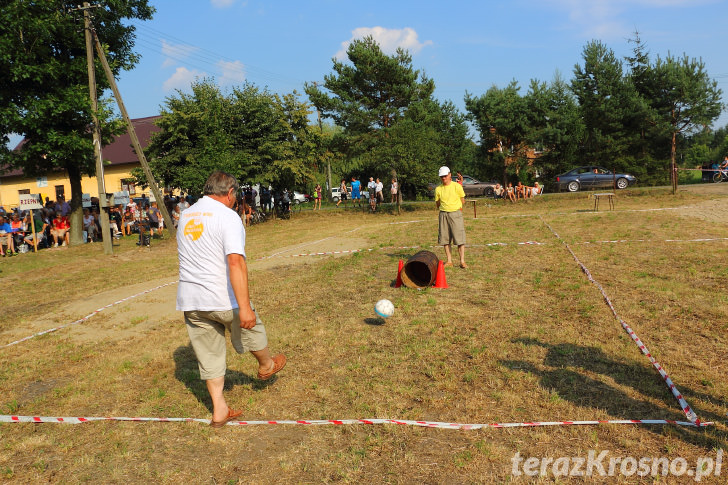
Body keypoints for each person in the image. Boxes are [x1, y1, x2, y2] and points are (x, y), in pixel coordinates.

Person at [177, 171, 286, 428]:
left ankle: (219, 410)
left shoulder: (185, 215)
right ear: (229, 193)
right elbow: (235, 261)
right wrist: (245, 307)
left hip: (191, 300)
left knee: (209, 354)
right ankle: (266, 365)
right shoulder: (228, 216)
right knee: (252, 326)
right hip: (222, 297)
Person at [435, 166, 467, 269]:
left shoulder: (457, 186)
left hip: (455, 214)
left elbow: (463, 200)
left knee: (459, 239)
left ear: (449, 175)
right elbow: (437, 203)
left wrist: (456, 209)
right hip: (443, 214)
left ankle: (462, 261)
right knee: (445, 239)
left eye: (445, 176)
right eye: (441, 176)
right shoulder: (438, 189)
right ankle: (449, 261)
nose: (443, 178)